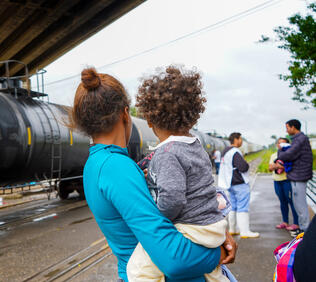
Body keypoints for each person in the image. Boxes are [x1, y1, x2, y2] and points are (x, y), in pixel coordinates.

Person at [71, 67, 237, 282]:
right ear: (125, 113)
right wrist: (218, 252)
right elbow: (174, 260)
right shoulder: (116, 167)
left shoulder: (98, 163)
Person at [127, 66, 233, 282]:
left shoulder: (167, 153)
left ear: (150, 120)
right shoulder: (196, 145)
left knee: (137, 270)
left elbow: (173, 199)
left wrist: (157, 219)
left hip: (192, 228)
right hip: (212, 227)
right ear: (192, 115)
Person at [273, 119, 313, 234]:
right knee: (297, 202)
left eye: (287, 127)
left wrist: (278, 156)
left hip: (300, 175)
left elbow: (290, 154)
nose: (286, 130)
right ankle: (302, 227)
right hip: (297, 174)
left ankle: (305, 230)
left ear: (293, 127)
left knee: (300, 203)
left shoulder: (300, 139)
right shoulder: (298, 139)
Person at [218, 132, 260, 238]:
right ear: (236, 139)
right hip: (239, 183)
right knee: (243, 207)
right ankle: (245, 232)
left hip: (229, 183)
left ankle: (232, 229)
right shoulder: (235, 152)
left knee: (233, 207)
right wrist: (245, 164)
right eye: (240, 139)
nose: (241, 141)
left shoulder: (225, 151)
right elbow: (243, 167)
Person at [268, 138, 299, 231]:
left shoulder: (290, 155)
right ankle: (285, 222)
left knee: (292, 202)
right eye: (279, 143)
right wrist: (281, 166)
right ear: (277, 145)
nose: (280, 145)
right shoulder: (274, 155)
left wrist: (277, 166)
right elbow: (270, 168)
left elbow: (291, 168)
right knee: (282, 202)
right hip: (277, 181)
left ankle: (296, 223)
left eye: (283, 143)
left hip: (287, 181)